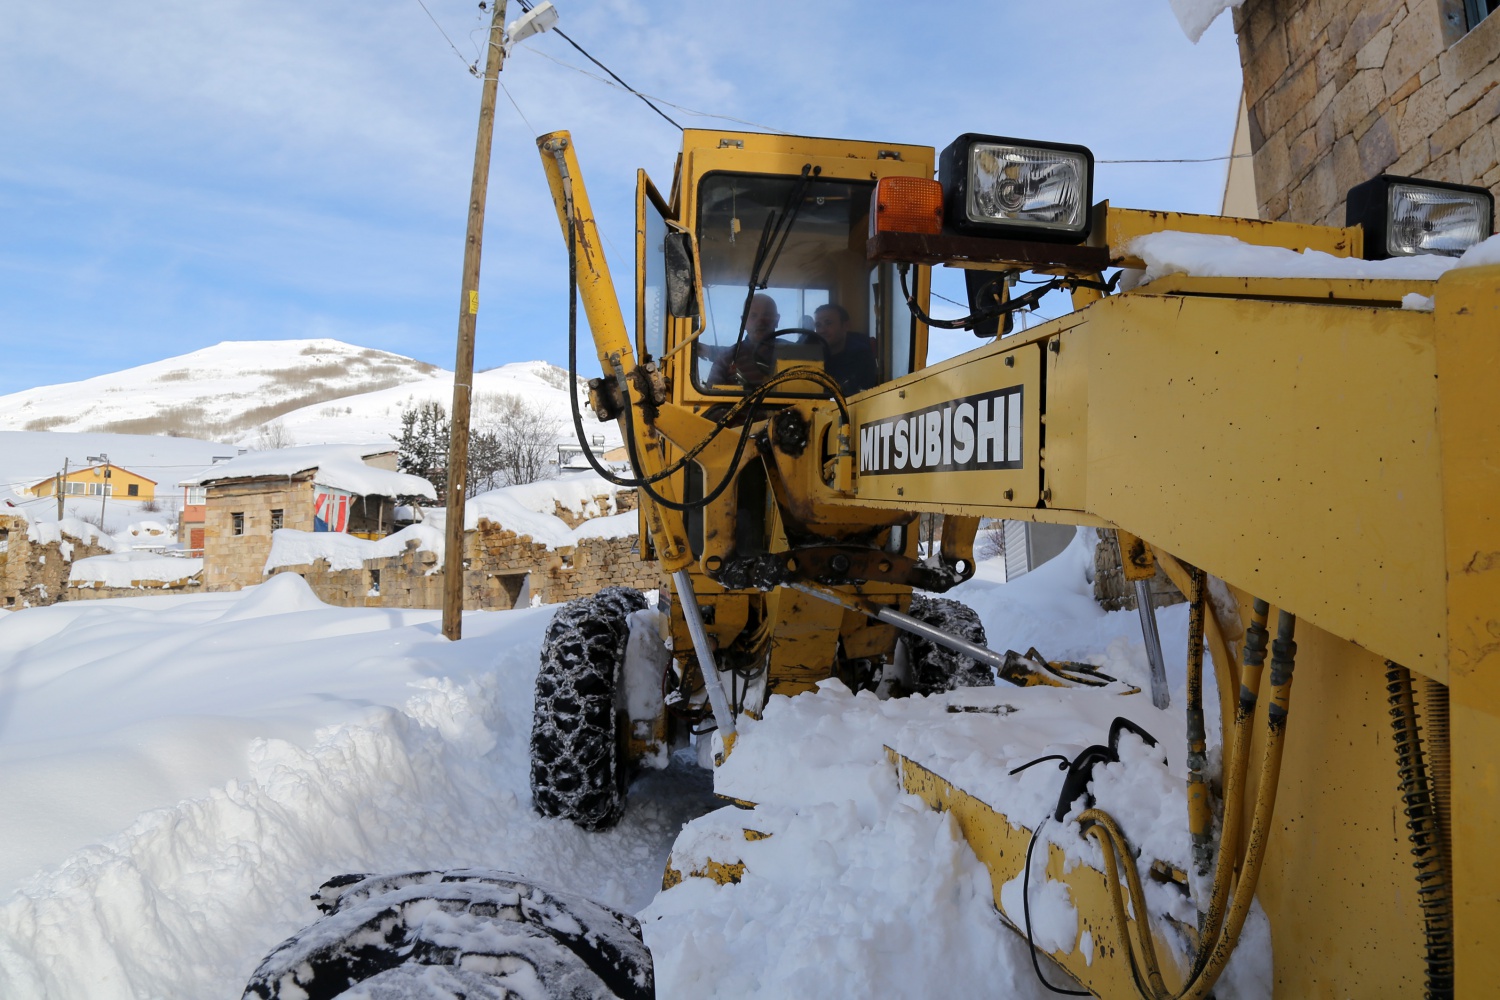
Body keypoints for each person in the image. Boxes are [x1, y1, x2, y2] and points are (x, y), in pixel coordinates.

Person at [707, 293, 781, 387]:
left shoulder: (793, 353)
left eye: (766, 315)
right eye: (753, 316)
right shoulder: (726, 359)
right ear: (744, 321)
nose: (760, 321)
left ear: (777, 320)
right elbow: (710, 395)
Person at [811, 303, 879, 394]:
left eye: (828, 323)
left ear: (846, 326)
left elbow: (863, 394)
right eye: (818, 325)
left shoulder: (861, 356)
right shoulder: (810, 355)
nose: (822, 330)